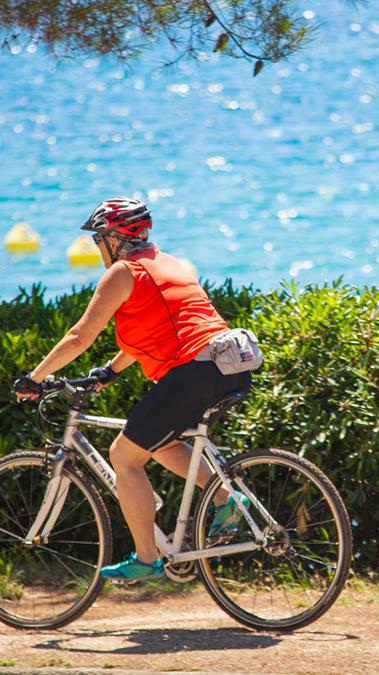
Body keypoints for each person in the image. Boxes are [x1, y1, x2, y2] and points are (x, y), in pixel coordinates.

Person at [13, 197, 252, 581]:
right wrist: (110, 370)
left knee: (123, 456)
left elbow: (79, 337)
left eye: (98, 239)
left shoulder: (123, 272)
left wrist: (35, 378)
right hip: (230, 365)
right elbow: (157, 327)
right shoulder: (166, 262)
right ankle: (227, 497)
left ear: (113, 238)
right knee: (160, 443)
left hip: (194, 371)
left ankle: (146, 559)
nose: (97, 248)